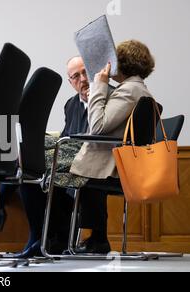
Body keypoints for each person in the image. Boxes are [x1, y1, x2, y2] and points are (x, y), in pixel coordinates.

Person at [0, 56, 107, 257]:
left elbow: (101, 137)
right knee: (28, 164)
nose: (82, 79)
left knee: (31, 165)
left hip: (95, 163)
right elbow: (66, 136)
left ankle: (0, 202)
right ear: (71, 82)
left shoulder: (107, 98)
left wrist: (95, 101)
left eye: (85, 73)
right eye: (76, 76)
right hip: (68, 163)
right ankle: (46, 237)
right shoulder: (71, 104)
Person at [70, 40, 156, 253]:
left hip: (113, 168)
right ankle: (88, 239)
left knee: (41, 164)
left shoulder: (129, 91)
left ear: (123, 64)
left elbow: (97, 127)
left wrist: (99, 85)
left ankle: (50, 238)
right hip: (119, 163)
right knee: (54, 159)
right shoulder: (136, 89)